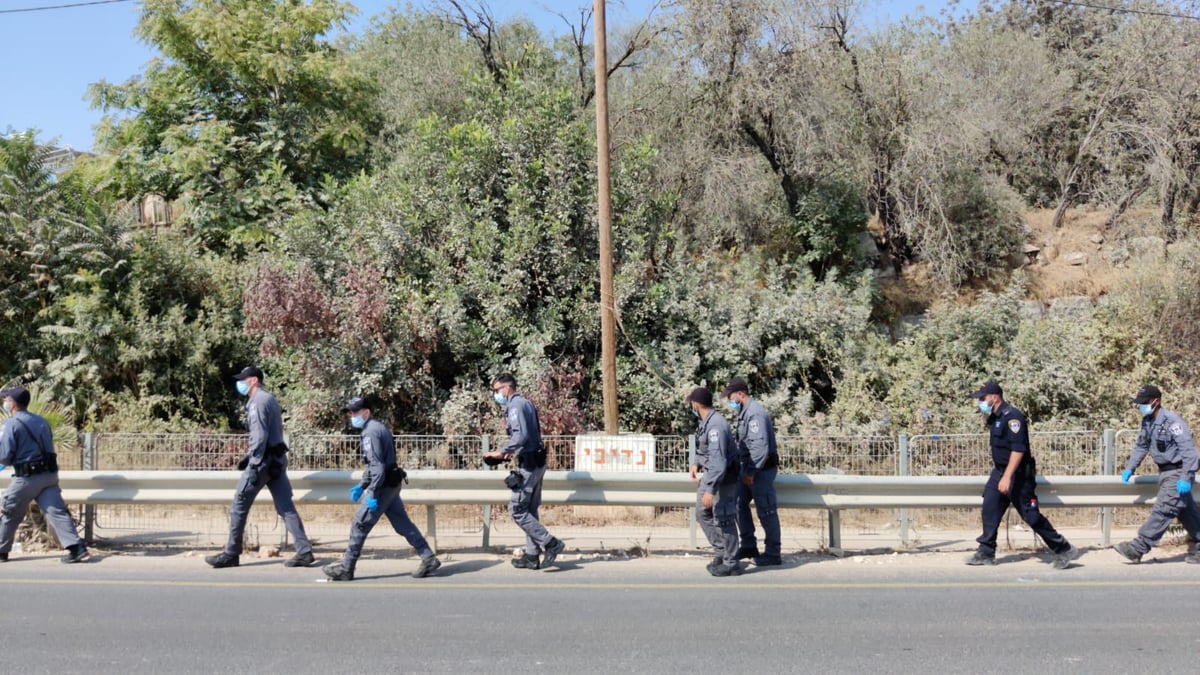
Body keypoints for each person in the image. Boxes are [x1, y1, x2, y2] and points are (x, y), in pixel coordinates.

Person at [206, 366, 314, 569]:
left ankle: (231, 553)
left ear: (254, 380)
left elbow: (260, 436)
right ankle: (304, 551)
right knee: (285, 507)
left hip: (263, 462)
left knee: (239, 504)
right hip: (276, 461)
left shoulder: (257, 401)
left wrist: (253, 462)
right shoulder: (270, 398)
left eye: (243, 379)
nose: (239, 383)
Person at [323, 397, 441, 581]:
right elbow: (376, 465)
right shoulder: (377, 427)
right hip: (391, 484)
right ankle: (428, 558)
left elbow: (377, 467)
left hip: (383, 487)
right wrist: (362, 485)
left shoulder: (370, 432)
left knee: (359, 524)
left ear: (366, 412)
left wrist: (373, 494)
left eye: (355, 412)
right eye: (351, 413)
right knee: (403, 524)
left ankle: (346, 568)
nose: (352, 416)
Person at [966, 380, 1080, 569]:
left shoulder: (1013, 418)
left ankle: (1063, 548)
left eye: (982, 398)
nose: (980, 402)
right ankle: (986, 551)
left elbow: (1018, 450)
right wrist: (1001, 475)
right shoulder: (996, 417)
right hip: (1000, 471)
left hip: (1017, 474)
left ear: (995, 397)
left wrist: (1007, 477)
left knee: (1030, 515)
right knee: (990, 506)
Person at [483, 373, 566, 570]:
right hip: (536, 461)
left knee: (517, 510)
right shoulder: (526, 403)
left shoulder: (515, 406)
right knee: (529, 509)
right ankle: (531, 555)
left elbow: (521, 435)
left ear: (507, 388)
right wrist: (508, 454)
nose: (496, 395)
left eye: (497, 390)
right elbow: (527, 436)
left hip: (529, 465)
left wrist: (502, 451)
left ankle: (551, 543)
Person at [0, 386, 89, 563]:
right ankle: (77, 548)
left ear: (12, 404)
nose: (3, 403)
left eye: (5, 400)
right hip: (48, 476)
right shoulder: (41, 421)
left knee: (10, 511)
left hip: (27, 478)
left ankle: (1, 551)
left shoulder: (12, 423)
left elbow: (4, 456)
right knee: (57, 512)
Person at [1113, 385, 1200, 564]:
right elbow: (1141, 446)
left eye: (1144, 403)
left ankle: (1137, 548)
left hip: (1179, 471)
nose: (1140, 407)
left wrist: (1185, 477)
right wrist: (1130, 468)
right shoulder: (1147, 421)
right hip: (1165, 472)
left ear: (1156, 401)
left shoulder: (1172, 422)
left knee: (1163, 510)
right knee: (1187, 514)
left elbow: (1190, 453)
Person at [723, 377, 782, 567]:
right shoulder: (745, 412)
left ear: (740, 394)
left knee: (766, 510)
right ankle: (748, 545)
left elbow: (760, 448)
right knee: (739, 503)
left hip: (760, 470)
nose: (729, 402)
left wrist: (751, 472)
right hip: (748, 470)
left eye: (731, 397)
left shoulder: (754, 414)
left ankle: (773, 553)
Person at [687, 387, 742, 577]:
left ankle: (732, 562)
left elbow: (719, 461)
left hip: (723, 478)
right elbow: (705, 450)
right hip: (711, 474)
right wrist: (697, 463)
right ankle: (721, 551)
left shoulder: (716, 426)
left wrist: (710, 489)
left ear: (696, 404)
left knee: (724, 517)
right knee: (702, 513)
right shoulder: (705, 422)